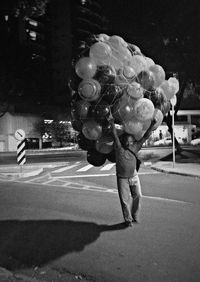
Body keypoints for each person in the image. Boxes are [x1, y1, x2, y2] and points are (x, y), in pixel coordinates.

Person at [108, 113, 156, 227]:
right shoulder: (119, 148)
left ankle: (134, 215)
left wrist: (152, 124)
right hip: (122, 178)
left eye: (130, 141)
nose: (128, 143)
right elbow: (114, 135)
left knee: (138, 196)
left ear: (133, 141)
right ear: (123, 141)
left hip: (134, 176)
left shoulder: (135, 147)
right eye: (127, 141)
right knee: (124, 200)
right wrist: (111, 122)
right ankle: (128, 220)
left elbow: (146, 136)